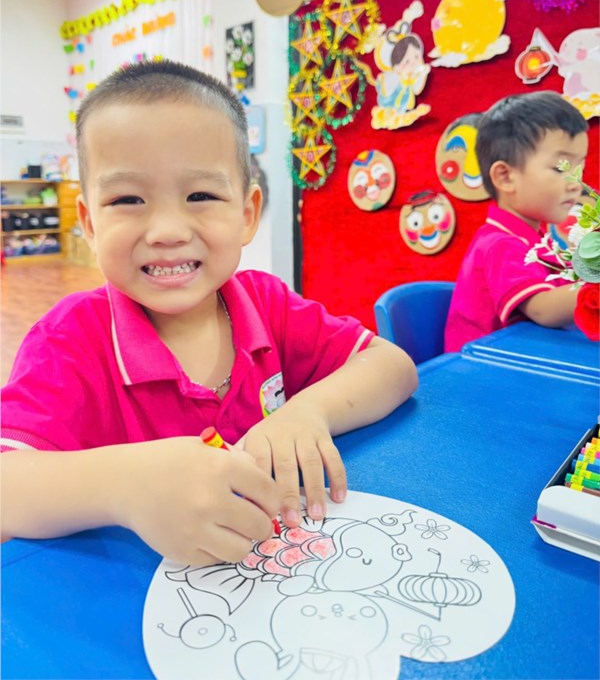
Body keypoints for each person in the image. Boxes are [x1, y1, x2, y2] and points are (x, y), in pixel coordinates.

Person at [1, 60, 418, 567]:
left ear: (246, 214)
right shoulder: (69, 340)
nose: (168, 231)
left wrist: (308, 412)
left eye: (200, 195)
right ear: (90, 224)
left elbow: (392, 365)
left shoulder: (268, 304)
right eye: (127, 199)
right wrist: (123, 485)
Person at [444, 90, 589, 353]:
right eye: (561, 168)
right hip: (484, 370)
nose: (576, 184)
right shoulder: (499, 244)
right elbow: (544, 308)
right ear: (505, 177)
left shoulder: (538, 242)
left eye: (580, 169)